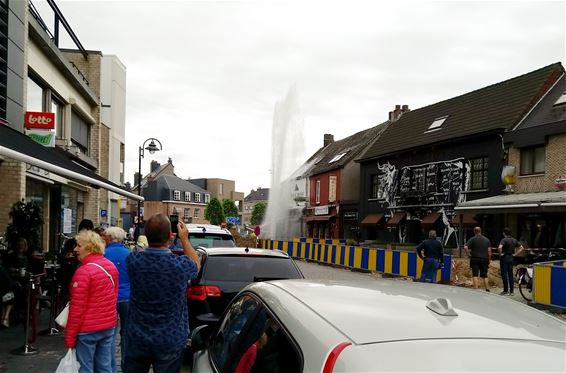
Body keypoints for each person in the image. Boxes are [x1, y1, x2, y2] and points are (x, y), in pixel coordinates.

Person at [124, 214, 200, 373]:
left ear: (146, 235)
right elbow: (196, 264)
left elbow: (142, 252)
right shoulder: (179, 266)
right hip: (169, 339)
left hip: (137, 337)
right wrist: (184, 239)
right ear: (170, 236)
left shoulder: (133, 261)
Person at [64, 230, 119, 373]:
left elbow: (77, 308)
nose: (75, 249)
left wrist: (70, 337)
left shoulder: (83, 272)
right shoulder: (110, 266)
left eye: (79, 245)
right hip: (107, 326)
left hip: (87, 329)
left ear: (89, 247)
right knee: (104, 366)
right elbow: (114, 296)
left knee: (85, 368)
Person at [103, 227, 131, 372]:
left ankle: (109, 366)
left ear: (110, 238)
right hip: (127, 297)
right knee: (126, 332)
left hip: (110, 298)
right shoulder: (130, 254)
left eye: (105, 236)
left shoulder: (104, 254)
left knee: (109, 334)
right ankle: (126, 364)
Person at [497, 228, 525, 296]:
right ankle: (511, 291)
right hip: (511, 258)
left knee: (504, 274)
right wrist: (515, 254)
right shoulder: (514, 240)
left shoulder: (504, 240)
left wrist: (500, 254)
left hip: (505, 257)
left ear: (504, 233)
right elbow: (522, 248)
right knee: (510, 274)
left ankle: (506, 290)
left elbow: (499, 247)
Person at [464, 226, 492, 292]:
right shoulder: (486, 240)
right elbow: (489, 251)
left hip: (475, 258)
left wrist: (468, 254)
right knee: (485, 275)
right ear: (480, 231)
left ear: (474, 231)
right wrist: (489, 259)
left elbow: (465, 247)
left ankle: (476, 289)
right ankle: (487, 289)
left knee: (475, 274)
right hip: (484, 259)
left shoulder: (472, 239)